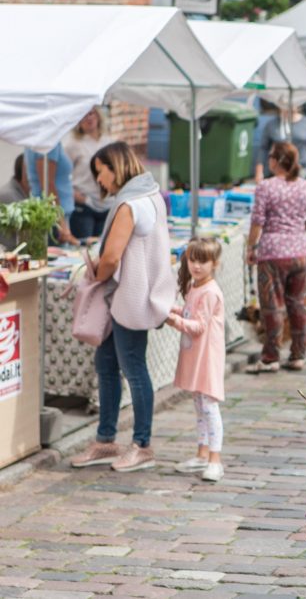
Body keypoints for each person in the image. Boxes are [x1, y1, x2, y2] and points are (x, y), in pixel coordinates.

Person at [69, 142, 176, 472]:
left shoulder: (130, 203)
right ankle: (106, 440)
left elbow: (112, 256)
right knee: (108, 364)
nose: (99, 179)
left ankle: (142, 445)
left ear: (114, 167)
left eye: (99, 171)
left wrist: (96, 275)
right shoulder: (151, 194)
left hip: (127, 298)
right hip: (130, 297)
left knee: (131, 368)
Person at [246, 142, 306, 373]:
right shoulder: (305, 186)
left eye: (270, 156)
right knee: (299, 304)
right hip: (299, 252)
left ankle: (271, 356)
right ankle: (298, 354)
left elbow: (257, 221)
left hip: (272, 253)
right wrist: (303, 226)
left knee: (272, 307)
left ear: (276, 161)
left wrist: (251, 248)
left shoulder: (266, 187)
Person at [167, 238, 226, 482]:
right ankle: (202, 454)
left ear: (214, 264)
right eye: (193, 260)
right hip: (196, 355)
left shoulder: (210, 291)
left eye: (203, 261)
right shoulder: (195, 286)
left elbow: (199, 326)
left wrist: (173, 320)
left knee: (210, 406)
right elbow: (190, 311)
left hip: (207, 357)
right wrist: (173, 309)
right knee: (200, 405)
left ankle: (215, 459)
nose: (196, 266)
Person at [63, 107, 115, 239]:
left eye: (91, 113)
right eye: (83, 115)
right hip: (84, 205)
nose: (89, 118)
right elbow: (62, 176)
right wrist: (75, 195)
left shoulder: (109, 141)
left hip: (108, 204)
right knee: (83, 250)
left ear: (98, 115)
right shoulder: (72, 144)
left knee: (102, 249)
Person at [24, 142, 79, 245]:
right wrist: (60, 221)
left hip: (52, 214)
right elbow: (47, 184)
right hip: (53, 217)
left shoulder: (35, 142)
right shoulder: (48, 144)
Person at [256, 107, 306, 186]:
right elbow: (264, 148)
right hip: (279, 170)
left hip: (302, 169)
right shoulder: (272, 124)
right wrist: (259, 170)